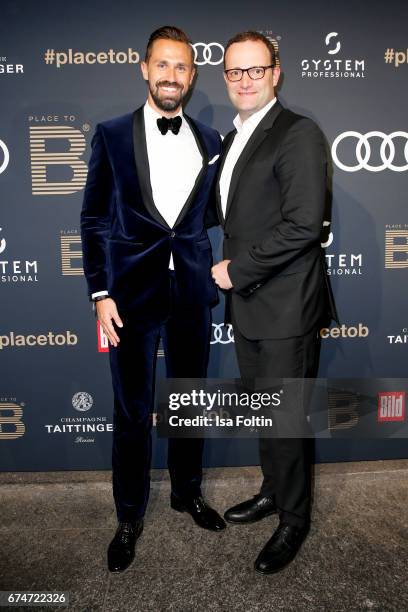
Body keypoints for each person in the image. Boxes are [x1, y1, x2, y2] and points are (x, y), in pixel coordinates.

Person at [81, 25, 226, 574]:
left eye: (182, 67)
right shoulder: (113, 134)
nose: (171, 76)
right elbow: (93, 218)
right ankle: (128, 514)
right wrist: (100, 291)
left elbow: (212, 216)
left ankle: (186, 492)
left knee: (190, 401)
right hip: (129, 295)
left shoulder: (212, 142)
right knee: (132, 408)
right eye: (162, 65)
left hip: (190, 289)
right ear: (144, 69)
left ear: (193, 75)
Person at [211, 31, 338, 574]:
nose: (244, 80)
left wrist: (238, 270)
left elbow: (305, 225)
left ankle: (294, 519)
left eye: (254, 70)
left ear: (276, 72)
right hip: (251, 305)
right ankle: (272, 490)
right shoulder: (234, 135)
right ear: (225, 78)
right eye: (235, 72)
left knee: (286, 419)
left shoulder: (298, 132)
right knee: (267, 411)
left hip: (285, 305)